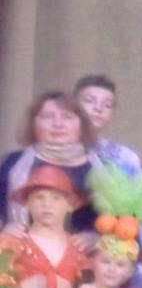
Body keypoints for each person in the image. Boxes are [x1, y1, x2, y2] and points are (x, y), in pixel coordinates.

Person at [3, 92, 94, 232]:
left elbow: (114, 219)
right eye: (48, 117)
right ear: (33, 124)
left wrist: (95, 235)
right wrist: (4, 230)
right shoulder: (13, 163)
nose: (58, 124)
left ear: (81, 125)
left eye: (67, 117)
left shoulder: (100, 168)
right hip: (20, 243)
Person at [73, 75, 142, 176]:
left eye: (107, 105)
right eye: (90, 101)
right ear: (73, 104)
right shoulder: (54, 151)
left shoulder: (125, 157)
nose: (98, 108)